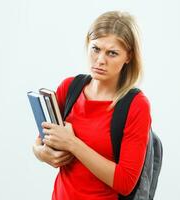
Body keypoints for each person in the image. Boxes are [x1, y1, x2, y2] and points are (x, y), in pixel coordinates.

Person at [32, 10, 151, 200]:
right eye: (96, 49)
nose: (100, 60)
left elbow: (126, 182)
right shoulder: (70, 87)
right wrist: (41, 153)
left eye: (112, 53)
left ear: (128, 56)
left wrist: (72, 144)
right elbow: (40, 140)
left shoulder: (136, 105)